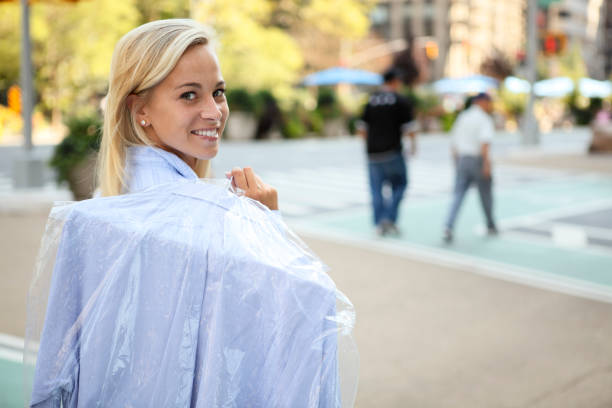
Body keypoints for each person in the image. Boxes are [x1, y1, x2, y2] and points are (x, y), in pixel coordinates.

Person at [26, 19, 356, 407]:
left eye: (218, 92)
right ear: (140, 108)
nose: (214, 111)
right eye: (189, 96)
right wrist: (269, 231)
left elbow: (54, 378)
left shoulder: (94, 213)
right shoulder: (224, 221)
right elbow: (308, 317)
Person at [357, 67, 417, 236]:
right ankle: (389, 218)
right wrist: (413, 146)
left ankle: (379, 222)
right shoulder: (400, 100)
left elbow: (362, 129)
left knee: (376, 190)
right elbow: (410, 128)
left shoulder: (371, 100)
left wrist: (369, 145)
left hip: (373, 154)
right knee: (400, 184)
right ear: (395, 81)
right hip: (393, 151)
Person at [443, 92, 498, 243]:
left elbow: (454, 143)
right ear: (482, 102)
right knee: (485, 195)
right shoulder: (484, 119)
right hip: (477, 159)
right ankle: (490, 224)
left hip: (462, 159)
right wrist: (487, 164)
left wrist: (456, 162)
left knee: (458, 195)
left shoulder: (463, 117)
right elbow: (484, 144)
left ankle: (448, 225)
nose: (490, 106)